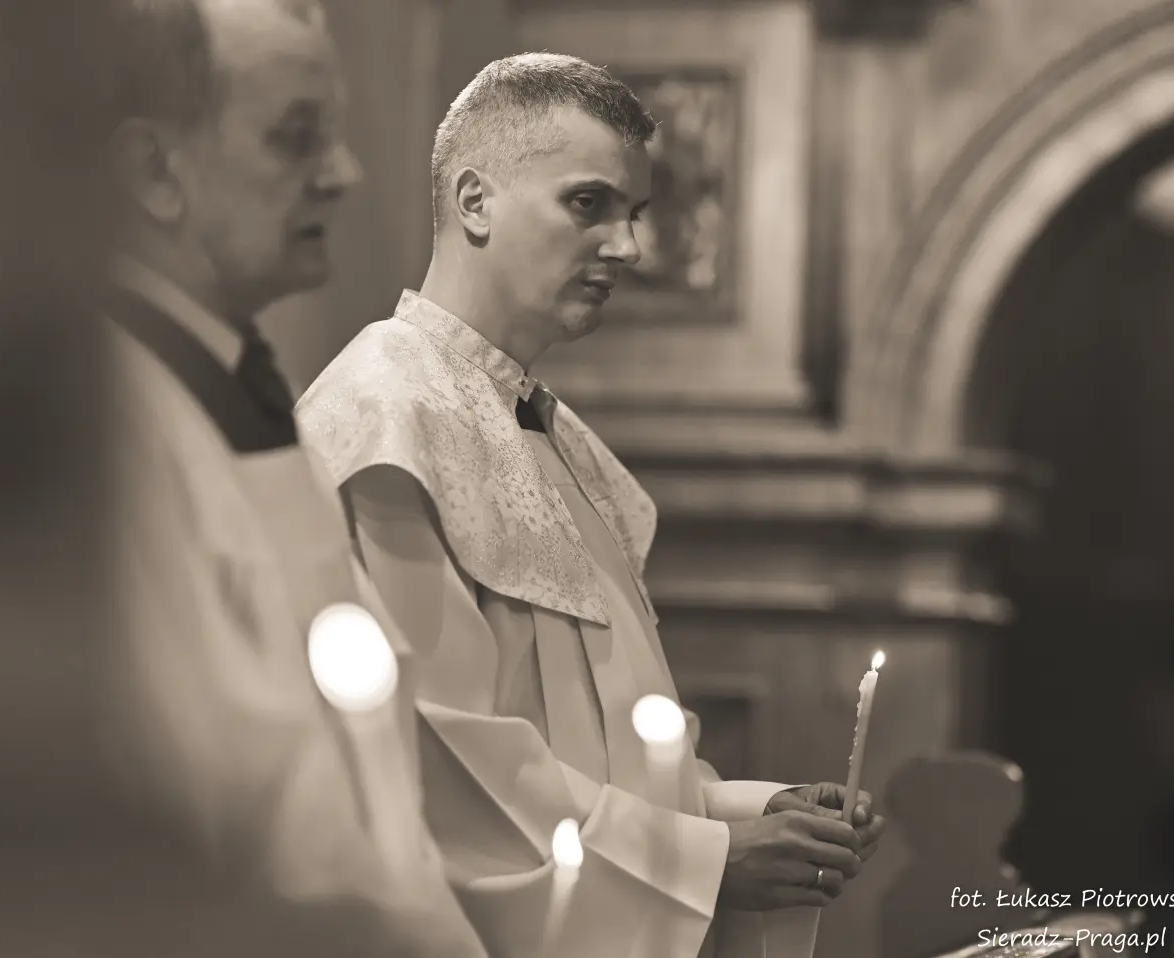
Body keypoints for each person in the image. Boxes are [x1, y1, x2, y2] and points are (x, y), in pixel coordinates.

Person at [296, 53, 885, 958]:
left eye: (634, 213)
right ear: (475, 201)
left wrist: (750, 813)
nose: (629, 247)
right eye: (589, 204)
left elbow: (612, 750)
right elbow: (433, 760)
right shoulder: (384, 413)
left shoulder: (559, 439)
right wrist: (706, 862)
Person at [103, 0, 486, 954]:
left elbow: (366, 789)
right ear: (154, 170)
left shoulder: (245, 391)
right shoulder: (109, 439)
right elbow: (221, 811)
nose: (345, 172)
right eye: (296, 137)